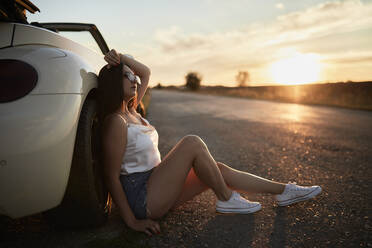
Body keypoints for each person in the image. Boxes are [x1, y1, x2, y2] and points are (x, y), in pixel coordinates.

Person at [98, 49, 322, 237]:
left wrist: (122, 58)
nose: (135, 80)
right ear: (114, 83)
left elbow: (145, 72)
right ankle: (226, 199)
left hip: (157, 186)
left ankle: (285, 190)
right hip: (143, 198)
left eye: (133, 77)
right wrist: (132, 222)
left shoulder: (133, 112)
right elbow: (111, 177)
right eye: (128, 76)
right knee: (191, 143)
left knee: (217, 170)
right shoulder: (116, 122)